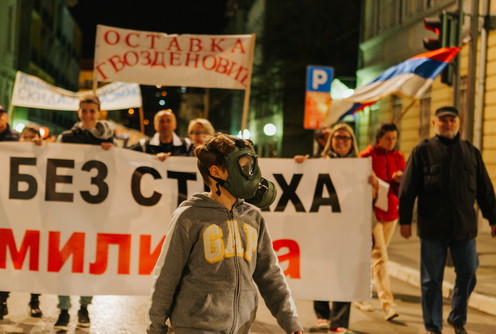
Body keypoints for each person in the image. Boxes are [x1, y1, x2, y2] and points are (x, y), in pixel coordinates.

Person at [147, 133, 303, 334]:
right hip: (196, 327)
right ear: (216, 172)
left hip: (240, 328)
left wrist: (291, 322)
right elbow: (166, 278)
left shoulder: (253, 217)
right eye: (244, 166)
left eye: (251, 165)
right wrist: (155, 328)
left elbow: (270, 275)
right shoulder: (189, 217)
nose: (251, 173)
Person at [399, 106, 496, 334]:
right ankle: (433, 327)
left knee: (469, 272)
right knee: (431, 280)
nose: (448, 124)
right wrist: (405, 220)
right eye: (443, 120)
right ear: (434, 123)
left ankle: (457, 318)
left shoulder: (471, 152)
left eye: (452, 120)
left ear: (458, 123)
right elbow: (408, 188)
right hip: (433, 227)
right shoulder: (422, 151)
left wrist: (493, 217)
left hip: (464, 227)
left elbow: (485, 189)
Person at [294, 123, 365, 333]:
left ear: (352, 142)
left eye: (345, 138)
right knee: (323, 269)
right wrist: (300, 165)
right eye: (337, 137)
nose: (341, 141)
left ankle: (340, 322)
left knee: (346, 273)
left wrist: (374, 186)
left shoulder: (361, 166)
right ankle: (322, 315)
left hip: (349, 230)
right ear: (330, 141)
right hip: (323, 228)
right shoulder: (317, 163)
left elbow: (373, 200)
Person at [54, 93, 114, 330]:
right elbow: (52, 163)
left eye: (92, 111)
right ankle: (63, 309)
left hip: (96, 212)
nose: (88, 115)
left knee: (90, 260)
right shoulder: (67, 137)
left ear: (98, 113)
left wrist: (111, 152)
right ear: (78, 113)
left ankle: (84, 307)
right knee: (65, 261)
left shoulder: (109, 139)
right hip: (68, 209)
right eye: (84, 111)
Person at [359, 122, 405, 321]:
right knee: (380, 256)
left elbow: (404, 186)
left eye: (394, 138)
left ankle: (360, 293)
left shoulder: (398, 157)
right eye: (388, 138)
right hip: (373, 213)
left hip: (392, 212)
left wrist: (400, 178)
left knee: (375, 257)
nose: (391, 142)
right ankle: (388, 304)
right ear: (378, 139)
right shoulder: (365, 157)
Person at [0, 124, 42, 320]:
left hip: (34, 219)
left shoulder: (44, 159)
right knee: (7, 260)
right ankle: (2, 300)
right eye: (25, 136)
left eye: (32, 137)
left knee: (34, 262)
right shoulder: (10, 156)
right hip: (11, 218)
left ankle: (34, 301)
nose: (28, 140)